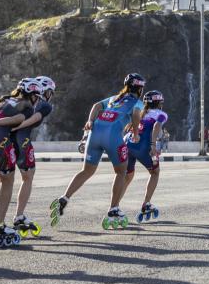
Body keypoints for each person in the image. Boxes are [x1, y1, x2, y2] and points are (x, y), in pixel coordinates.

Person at [49, 73, 145, 230]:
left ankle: (64, 197)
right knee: (121, 172)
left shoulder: (114, 98)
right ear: (140, 89)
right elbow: (135, 114)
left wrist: (90, 121)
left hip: (94, 134)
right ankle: (113, 209)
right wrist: (135, 133)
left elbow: (96, 106)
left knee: (86, 171)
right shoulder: (138, 103)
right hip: (112, 136)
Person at [0, 78, 40, 246]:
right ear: (32, 95)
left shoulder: (4, 100)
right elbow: (17, 119)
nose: (37, 99)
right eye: (37, 96)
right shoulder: (26, 106)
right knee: (7, 180)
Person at [8, 76, 55, 237]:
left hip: (4, 138)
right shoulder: (45, 105)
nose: (50, 95)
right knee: (27, 177)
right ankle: (19, 216)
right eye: (50, 92)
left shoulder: (17, 99)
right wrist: (16, 127)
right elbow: (34, 118)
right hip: (22, 140)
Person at [121, 90, 168, 223]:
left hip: (128, 144)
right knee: (155, 172)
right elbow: (157, 126)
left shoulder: (140, 112)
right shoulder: (161, 114)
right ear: (159, 103)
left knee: (127, 176)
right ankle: (146, 203)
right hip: (143, 146)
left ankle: (114, 206)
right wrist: (153, 145)